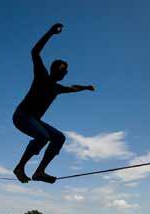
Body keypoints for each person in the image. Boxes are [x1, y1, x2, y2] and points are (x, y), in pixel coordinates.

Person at [12, 23, 96, 184]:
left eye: (66, 71)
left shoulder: (57, 88)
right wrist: (50, 33)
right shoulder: (42, 75)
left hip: (34, 120)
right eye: (63, 70)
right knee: (43, 136)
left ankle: (39, 171)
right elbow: (35, 52)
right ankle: (20, 167)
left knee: (59, 137)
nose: (65, 73)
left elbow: (72, 88)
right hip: (21, 116)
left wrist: (85, 87)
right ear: (55, 70)